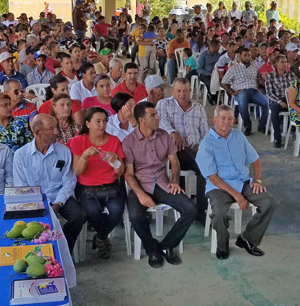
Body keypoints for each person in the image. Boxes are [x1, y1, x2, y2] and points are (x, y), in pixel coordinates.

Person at [123, 102, 197, 267]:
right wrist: (141, 195)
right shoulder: (129, 142)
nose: (158, 118)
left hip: (163, 183)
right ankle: (152, 249)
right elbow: (128, 174)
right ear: (141, 120)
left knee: (190, 209)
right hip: (140, 185)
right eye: (153, 115)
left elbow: (174, 162)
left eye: (157, 114)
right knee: (136, 215)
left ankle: (167, 245)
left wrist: (175, 181)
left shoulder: (164, 136)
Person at [196, 105, 275, 260]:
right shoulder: (206, 144)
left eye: (230, 118)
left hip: (242, 182)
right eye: (223, 118)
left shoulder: (238, 136)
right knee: (218, 213)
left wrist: (258, 180)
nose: (226, 122)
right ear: (215, 120)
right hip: (219, 187)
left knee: (269, 202)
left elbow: (256, 160)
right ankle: (222, 243)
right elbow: (212, 177)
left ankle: (247, 239)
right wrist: (237, 196)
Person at [14, 114, 87, 252]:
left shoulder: (63, 151)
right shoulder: (21, 155)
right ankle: (40, 251)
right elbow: (21, 187)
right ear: (37, 132)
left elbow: (69, 181)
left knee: (79, 216)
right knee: (35, 223)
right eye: (51, 129)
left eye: (56, 127)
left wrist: (58, 203)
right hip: (34, 200)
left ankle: (64, 250)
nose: (57, 132)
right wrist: (40, 205)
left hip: (58, 196)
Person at [66, 108, 125, 259]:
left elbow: (120, 172)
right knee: (92, 212)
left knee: (117, 210)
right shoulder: (79, 141)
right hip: (87, 188)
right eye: (97, 121)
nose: (102, 125)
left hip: (110, 186)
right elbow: (78, 171)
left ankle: (100, 237)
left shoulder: (114, 141)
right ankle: (103, 238)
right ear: (88, 123)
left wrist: (116, 160)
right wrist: (85, 156)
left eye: (104, 121)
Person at [158, 78, 210, 215]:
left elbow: (205, 131)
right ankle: (201, 211)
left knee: (205, 167)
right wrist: (173, 132)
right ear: (172, 91)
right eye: (179, 91)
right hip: (173, 153)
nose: (182, 94)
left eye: (185, 91)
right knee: (205, 164)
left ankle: (201, 207)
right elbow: (162, 121)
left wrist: (201, 145)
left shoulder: (198, 108)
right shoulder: (164, 104)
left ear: (190, 91)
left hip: (195, 152)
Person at [220, 47, 269, 135]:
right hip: (241, 91)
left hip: (254, 91)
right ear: (239, 56)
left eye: (249, 55)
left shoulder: (254, 69)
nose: (247, 57)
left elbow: (259, 82)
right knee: (242, 103)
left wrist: (260, 88)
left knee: (267, 102)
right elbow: (224, 82)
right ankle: (247, 126)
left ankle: (262, 125)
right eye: (245, 55)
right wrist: (232, 92)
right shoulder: (234, 68)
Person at [264, 54, 297, 148]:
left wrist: (291, 100)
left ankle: (299, 136)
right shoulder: (270, 76)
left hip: (290, 98)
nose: (284, 64)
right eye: (282, 62)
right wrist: (279, 101)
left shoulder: (291, 75)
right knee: (274, 109)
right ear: (276, 64)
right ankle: (277, 138)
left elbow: (297, 89)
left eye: (285, 62)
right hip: (277, 99)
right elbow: (269, 93)